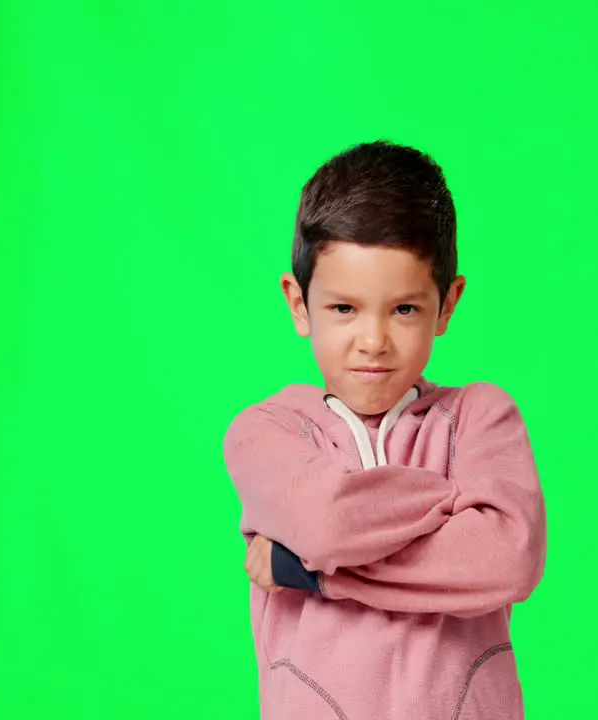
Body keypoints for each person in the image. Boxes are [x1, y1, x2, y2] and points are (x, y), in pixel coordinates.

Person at [223, 140, 547, 720]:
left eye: (403, 309)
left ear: (447, 304)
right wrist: (445, 507)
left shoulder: (482, 418)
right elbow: (325, 524)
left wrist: (311, 574)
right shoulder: (264, 434)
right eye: (344, 309)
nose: (373, 341)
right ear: (299, 303)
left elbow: (506, 558)